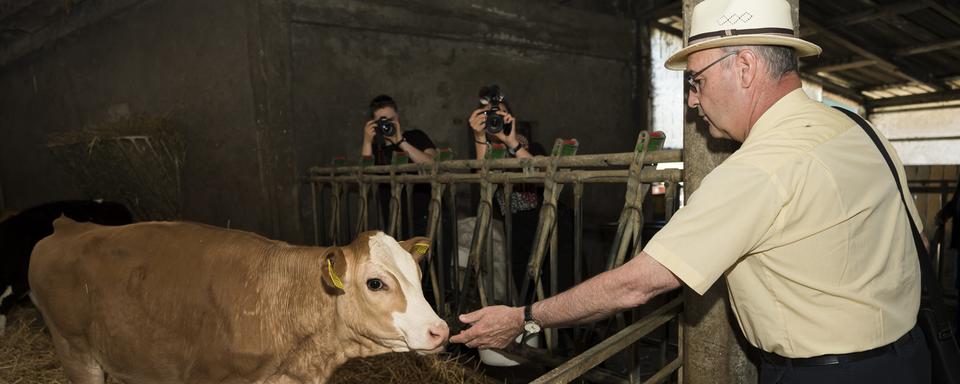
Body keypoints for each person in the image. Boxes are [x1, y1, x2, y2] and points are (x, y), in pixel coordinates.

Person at [450, 1, 931, 383]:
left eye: (698, 80)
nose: (692, 99)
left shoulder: (759, 168)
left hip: (826, 374)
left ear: (744, 66)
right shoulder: (854, 127)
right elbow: (917, 240)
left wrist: (525, 317)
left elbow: (638, 283)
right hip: (910, 357)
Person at [360, 95, 436, 237]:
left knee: (432, 258)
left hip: (429, 218)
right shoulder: (376, 149)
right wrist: (367, 142)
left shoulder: (416, 136)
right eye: (381, 122)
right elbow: (365, 178)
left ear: (398, 118)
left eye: (390, 120)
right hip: (396, 224)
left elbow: (432, 164)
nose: (386, 125)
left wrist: (400, 141)